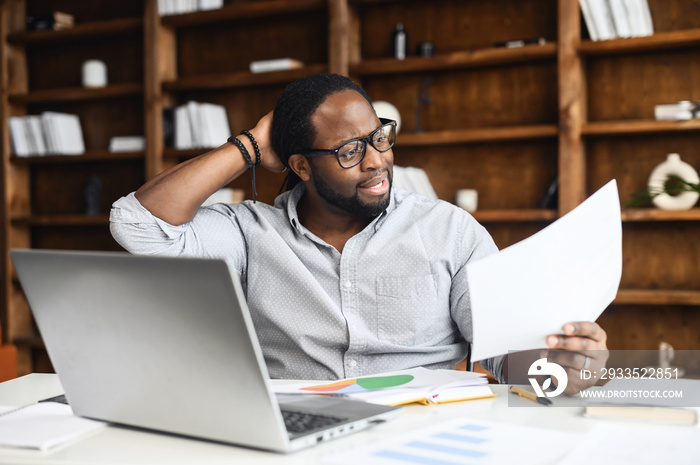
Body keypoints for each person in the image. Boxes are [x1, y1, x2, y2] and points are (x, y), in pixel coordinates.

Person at [110, 73, 607, 389]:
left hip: (420, 432)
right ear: (301, 166)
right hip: (298, 435)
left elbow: (504, 361)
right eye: (349, 151)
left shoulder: (449, 231)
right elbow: (137, 224)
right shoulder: (249, 232)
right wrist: (247, 147)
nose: (376, 162)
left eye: (379, 138)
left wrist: (559, 367)